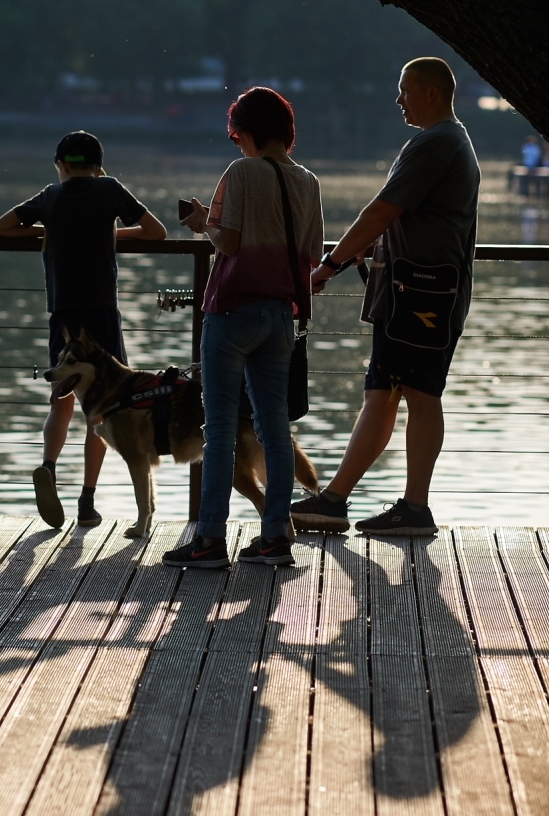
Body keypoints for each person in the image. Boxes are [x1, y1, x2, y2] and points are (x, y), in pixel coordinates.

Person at [298, 56, 479, 537]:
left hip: (423, 295)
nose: (398, 100)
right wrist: (371, 252)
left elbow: (382, 210)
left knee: (419, 393)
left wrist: (330, 264)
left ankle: (414, 507)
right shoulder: (444, 142)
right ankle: (336, 499)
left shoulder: (436, 142)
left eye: (405, 90)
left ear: (432, 93)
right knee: (382, 391)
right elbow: (411, 221)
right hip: (411, 291)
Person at [162, 87, 324, 569]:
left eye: (237, 136)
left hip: (231, 312)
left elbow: (228, 243)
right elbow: (311, 254)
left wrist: (200, 223)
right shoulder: (308, 181)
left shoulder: (241, 172)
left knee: (219, 429)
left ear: (248, 131)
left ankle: (208, 539)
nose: (238, 145)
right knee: (274, 428)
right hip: (280, 316)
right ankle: (275, 536)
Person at [0, 131, 166, 529]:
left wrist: (47, 231)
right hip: (102, 313)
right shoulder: (110, 190)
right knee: (102, 409)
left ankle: (49, 467)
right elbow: (156, 232)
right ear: (98, 166)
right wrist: (109, 233)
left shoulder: (51, 197)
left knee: (62, 399)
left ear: (61, 165)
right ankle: (87, 500)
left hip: (65, 316)